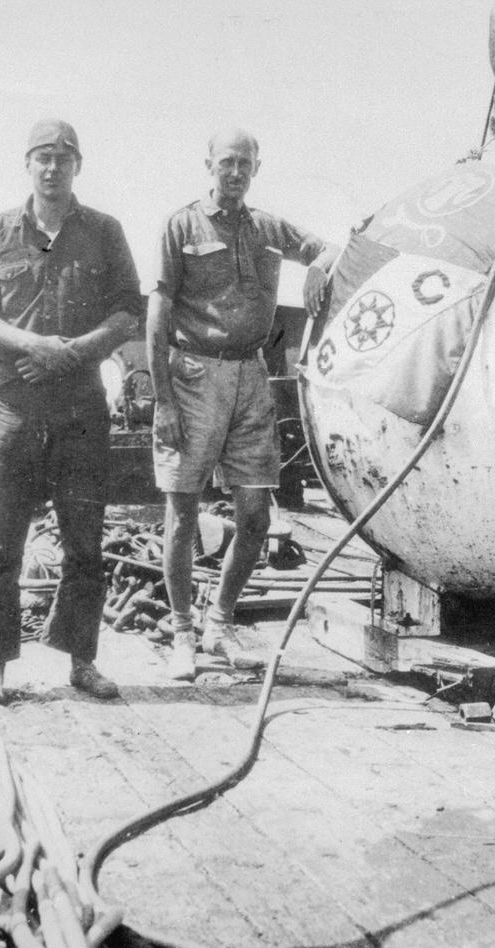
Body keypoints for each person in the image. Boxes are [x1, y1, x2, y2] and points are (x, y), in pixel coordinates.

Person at [147, 127, 339, 681]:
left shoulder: (268, 228)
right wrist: (163, 400)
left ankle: (220, 623)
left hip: (252, 376)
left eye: (245, 163)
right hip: (192, 376)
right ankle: (182, 631)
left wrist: (320, 269)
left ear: (257, 167)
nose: (235, 172)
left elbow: (327, 247)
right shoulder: (180, 225)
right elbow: (158, 312)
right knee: (182, 512)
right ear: (208, 163)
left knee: (254, 515)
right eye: (226, 162)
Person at [0, 118, 142, 702]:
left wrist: (72, 354)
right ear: (28, 165)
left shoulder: (104, 231)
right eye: (42, 157)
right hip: (14, 404)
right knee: (0, 543)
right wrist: (32, 346)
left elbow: (125, 314)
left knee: (85, 541)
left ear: (77, 166)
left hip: (80, 406)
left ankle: (81, 660)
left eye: (63, 158)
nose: (52, 167)